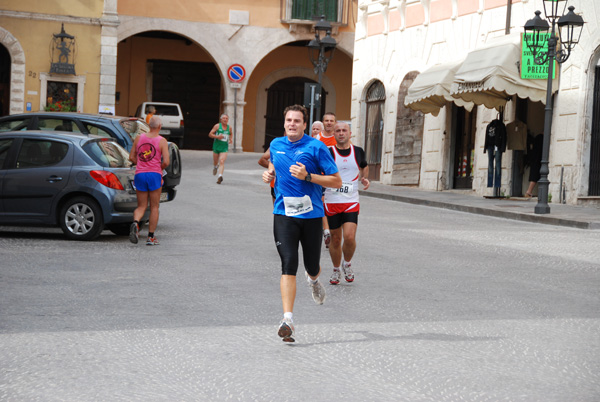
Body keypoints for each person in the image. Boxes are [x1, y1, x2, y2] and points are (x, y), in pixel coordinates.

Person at [262, 104, 341, 343]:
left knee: (311, 264)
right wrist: (270, 174)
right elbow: (273, 164)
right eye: (289, 120)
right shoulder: (276, 145)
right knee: (288, 263)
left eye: (297, 121)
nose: (292, 124)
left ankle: (314, 279)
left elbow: (336, 180)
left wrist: (308, 176)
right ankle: (288, 320)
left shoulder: (316, 147)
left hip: (312, 216)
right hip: (284, 214)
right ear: (284, 123)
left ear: (305, 125)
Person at [324, 122, 370, 285]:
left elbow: (364, 166)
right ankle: (336, 269)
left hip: (351, 200)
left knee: (349, 237)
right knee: (336, 239)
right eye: (338, 131)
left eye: (344, 130)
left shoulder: (358, 151)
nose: (341, 133)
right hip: (332, 201)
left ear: (350, 133)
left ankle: (347, 263)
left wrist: (364, 178)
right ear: (334, 134)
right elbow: (321, 172)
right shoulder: (329, 152)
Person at [129, 115, 170, 246]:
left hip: (140, 174)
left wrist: (141, 163)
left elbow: (131, 157)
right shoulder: (162, 140)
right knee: (154, 207)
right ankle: (151, 237)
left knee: (141, 206)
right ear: (159, 126)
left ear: (148, 126)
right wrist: (159, 168)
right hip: (154, 175)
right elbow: (167, 162)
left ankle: (135, 223)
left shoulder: (139, 138)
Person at [315, 112, 337, 248]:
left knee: (333, 205)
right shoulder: (318, 137)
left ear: (335, 122)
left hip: (335, 176)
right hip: (322, 176)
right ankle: (327, 231)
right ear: (323, 122)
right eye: (326, 120)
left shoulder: (339, 137)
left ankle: (332, 230)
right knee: (322, 202)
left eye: (331, 121)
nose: (329, 123)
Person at [209, 114, 233, 184]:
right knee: (216, 161)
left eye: (226, 118)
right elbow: (210, 134)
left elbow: (231, 134)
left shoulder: (229, 128)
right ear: (221, 119)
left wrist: (231, 139)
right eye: (224, 118)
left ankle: (220, 176)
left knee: (222, 161)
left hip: (224, 147)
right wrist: (217, 137)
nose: (225, 120)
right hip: (216, 146)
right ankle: (215, 167)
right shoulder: (217, 126)